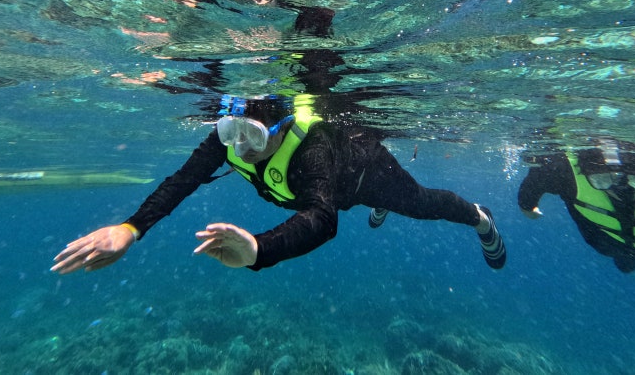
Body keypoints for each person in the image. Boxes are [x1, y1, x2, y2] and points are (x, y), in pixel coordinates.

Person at [52, 94, 506, 274]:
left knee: (420, 202)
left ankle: (480, 218)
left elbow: (323, 218)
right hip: (329, 186)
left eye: (252, 136)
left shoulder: (311, 148)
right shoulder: (229, 138)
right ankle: (383, 209)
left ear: (282, 126)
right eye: (232, 132)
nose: (240, 147)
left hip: (365, 174)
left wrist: (259, 249)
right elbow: (183, 180)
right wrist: (131, 228)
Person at [518, 138, 635, 293]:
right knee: (620, 257)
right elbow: (531, 189)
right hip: (610, 242)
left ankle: (626, 256)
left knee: (625, 259)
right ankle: (625, 256)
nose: (621, 186)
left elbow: (529, 196)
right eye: (602, 180)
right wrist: (529, 206)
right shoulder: (563, 169)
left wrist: (529, 209)